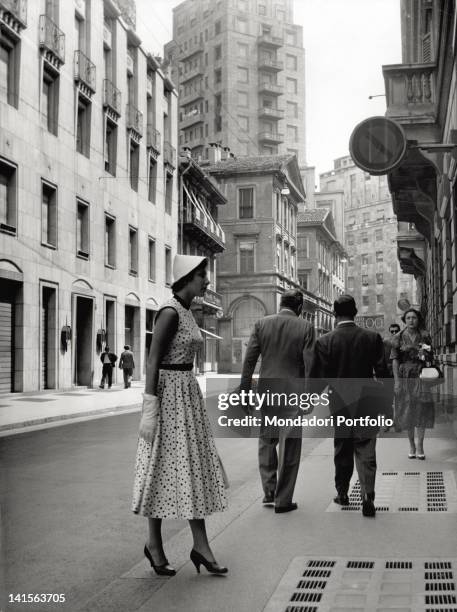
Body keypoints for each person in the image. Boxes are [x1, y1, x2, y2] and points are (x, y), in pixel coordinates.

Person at [132, 255, 227, 577]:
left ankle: (200, 546)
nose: (207, 281)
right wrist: (150, 408)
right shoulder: (170, 311)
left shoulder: (187, 311)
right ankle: (155, 545)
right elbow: (152, 360)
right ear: (187, 277)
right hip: (169, 396)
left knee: (189, 470)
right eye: (203, 275)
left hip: (186, 394)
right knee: (161, 467)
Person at [239, 290, 315, 514]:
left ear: (281, 303)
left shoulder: (262, 324)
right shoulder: (305, 327)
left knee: (267, 440)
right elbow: (310, 366)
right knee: (290, 446)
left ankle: (269, 492)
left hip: (268, 391)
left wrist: (245, 392)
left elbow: (249, 361)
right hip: (293, 393)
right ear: (299, 307)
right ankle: (283, 500)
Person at [310, 295, 386, 517]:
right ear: (355, 312)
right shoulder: (372, 338)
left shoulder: (324, 342)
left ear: (334, 314)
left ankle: (343, 493)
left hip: (340, 402)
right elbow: (383, 373)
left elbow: (318, 379)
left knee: (342, 448)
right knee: (366, 447)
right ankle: (367, 494)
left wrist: (307, 402)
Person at [391, 308, 434, 460]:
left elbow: (430, 358)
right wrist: (396, 381)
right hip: (404, 377)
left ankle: (421, 445)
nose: (411, 320)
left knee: (422, 410)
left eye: (414, 317)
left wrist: (422, 352)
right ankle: (411, 445)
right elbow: (395, 360)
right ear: (404, 320)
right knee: (407, 412)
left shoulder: (425, 335)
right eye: (408, 318)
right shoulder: (398, 337)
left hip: (421, 375)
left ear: (418, 319)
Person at [382, 323, 401, 431]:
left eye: (396, 330)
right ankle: (388, 423)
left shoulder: (402, 341)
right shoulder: (385, 343)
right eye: (392, 331)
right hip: (387, 376)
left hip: (399, 376)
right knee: (387, 401)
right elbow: (380, 358)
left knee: (399, 401)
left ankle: (398, 423)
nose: (394, 333)